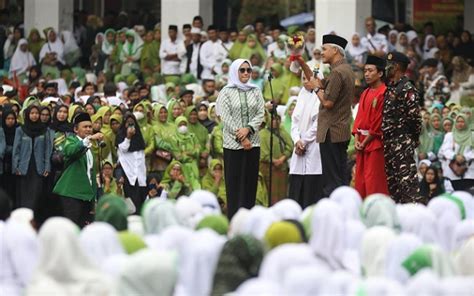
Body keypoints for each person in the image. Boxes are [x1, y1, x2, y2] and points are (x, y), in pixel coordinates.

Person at [301, 34, 354, 196]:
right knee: (339, 175)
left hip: (332, 131)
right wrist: (301, 62)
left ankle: (334, 211)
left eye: (325, 49)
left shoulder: (337, 73)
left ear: (336, 51)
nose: (322, 52)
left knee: (332, 180)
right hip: (339, 131)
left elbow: (328, 103)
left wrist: (317, 89)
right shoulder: (345, 70)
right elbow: (315, 81)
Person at [216, 58, 264, 218]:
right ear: (234, 71)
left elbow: (260, 113)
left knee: (250, 183)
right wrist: (242, 138)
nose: (246, 73)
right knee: (234, 184)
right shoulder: (226, 92)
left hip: (253, 144)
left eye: (248, 70)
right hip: (233, 145)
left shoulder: (256, 90)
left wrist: (248, 129)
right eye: (242, 70)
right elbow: (225, 116)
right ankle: (234, 219)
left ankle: (249, 219)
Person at [382, 51, 422, 203]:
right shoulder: (391, 87)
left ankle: (414, 218)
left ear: (397, 67)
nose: (386, 69)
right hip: (389, 143)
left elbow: (415, 118)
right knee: (394, 186)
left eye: (389, 66)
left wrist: (411, 138)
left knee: (408, 184)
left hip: (402, 142)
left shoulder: (406, 88)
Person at [53, 112, 104, 227]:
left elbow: (90, 173)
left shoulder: (89, 147)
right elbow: (71, 151)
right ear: (76, 129)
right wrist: (89, 139)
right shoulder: (71, 140)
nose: (88, 129)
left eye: (90, 127)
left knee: (84, 227)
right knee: (72, 226)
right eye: (85, 127)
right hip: (72, 193)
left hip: (86, 195)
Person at [352, 55, 389, 198]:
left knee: (374, 180)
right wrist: (356, 139)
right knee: (360, 181)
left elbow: (378, 122)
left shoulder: (384, 93)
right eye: (365, 71)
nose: (366, 74)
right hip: (361, 141)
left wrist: (364, 141)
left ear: (380, 73)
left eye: (370, 70)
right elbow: (359, 118)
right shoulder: (365, 92)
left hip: (374, 143)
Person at [289, 73, 323, 208]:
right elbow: (294, 122)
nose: (305, 82)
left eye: (309, 79)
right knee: (297, 182)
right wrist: (297, 140)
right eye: (303, 79)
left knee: (311, 180)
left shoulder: (320, 97)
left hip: (313, 144)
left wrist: (303, 141)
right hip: (299, 145)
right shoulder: (301, 96)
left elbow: (318, 123)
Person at [12, 105, 53, 209]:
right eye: (32, 113)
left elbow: (47, 150)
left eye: (36, 113)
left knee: (36, 193)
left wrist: (47, 167)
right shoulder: (20, 130)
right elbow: (16, 150)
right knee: (24, 194)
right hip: (24, 166)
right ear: (27, 114)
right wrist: (15, 167)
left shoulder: (45, 130)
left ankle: (34, 217)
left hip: (39, 166)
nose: (34, 115)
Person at [116, 113, 147, 214]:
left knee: (140, 203)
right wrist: (128, 137)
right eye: (127, 123)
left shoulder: (138, 137)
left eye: (132, 123)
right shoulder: (121, 136)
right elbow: (123, 148)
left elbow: (141, 158)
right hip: (128, 175)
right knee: (131, 204)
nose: (130, 126)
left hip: (140, 176)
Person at [259, 114, 293, 205]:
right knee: (269, 193)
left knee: (281, 193)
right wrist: (273, 161)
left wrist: (282, 158)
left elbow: (290, 145)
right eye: (273, 119)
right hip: (268, 169)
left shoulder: (282, 132)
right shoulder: (262, 134)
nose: (275, 121)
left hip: (282, 168)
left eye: (277, 119)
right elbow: (263, 153)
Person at [0, 106, 18, 202]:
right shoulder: (1, 130)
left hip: (13, 165)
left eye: (12, 119)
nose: (10, 121)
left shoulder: (18, 130)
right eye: (8, 118)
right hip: (2, 163)